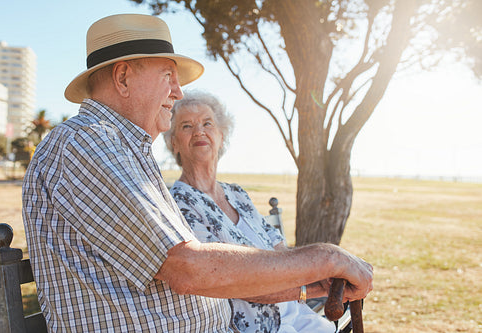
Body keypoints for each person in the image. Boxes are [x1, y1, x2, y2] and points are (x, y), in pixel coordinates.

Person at [22, 14, 373, 332]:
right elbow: (187, 268)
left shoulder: (121, 149)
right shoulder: (86, 142)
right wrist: (328, 258)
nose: (178, 92)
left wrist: (313, 283)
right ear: (123, 76)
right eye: (168, 76)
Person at [164, 90, 334, 332]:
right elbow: (235, 281)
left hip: (293, 311)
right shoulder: (180, 203)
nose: (199, 131)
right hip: (257, 326)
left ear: (221, 136)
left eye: (207, 123)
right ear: (174, 142)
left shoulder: (237, 193)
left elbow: (281, 251)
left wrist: (323, 275)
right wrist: (312, 288)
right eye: (187, 126)